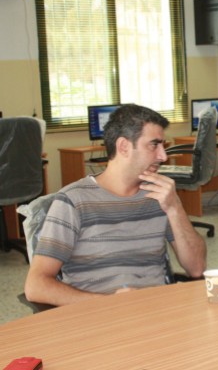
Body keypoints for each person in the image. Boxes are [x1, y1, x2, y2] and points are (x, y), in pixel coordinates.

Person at [24, 104, 207, 306]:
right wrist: (109, 303)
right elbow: (36, 286)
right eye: (154, 145)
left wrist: (175, 208)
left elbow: (197, 268)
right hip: (99, 315)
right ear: (124, 147)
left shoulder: (160, 196)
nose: (163, 156)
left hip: (156, 310)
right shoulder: (73, 201)